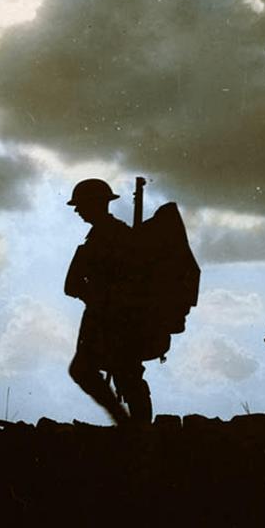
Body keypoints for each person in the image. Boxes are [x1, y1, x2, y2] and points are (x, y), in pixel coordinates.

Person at [64, 178, 155, 426]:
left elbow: (129, 280)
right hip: (105, 315)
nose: (77, 210)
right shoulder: (106, 235)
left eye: (81, 204)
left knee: (119, 373)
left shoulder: (113, 236)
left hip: (116, 318)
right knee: (123, 373)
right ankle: (130, 424)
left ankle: (130, 425)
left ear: (96, 204)